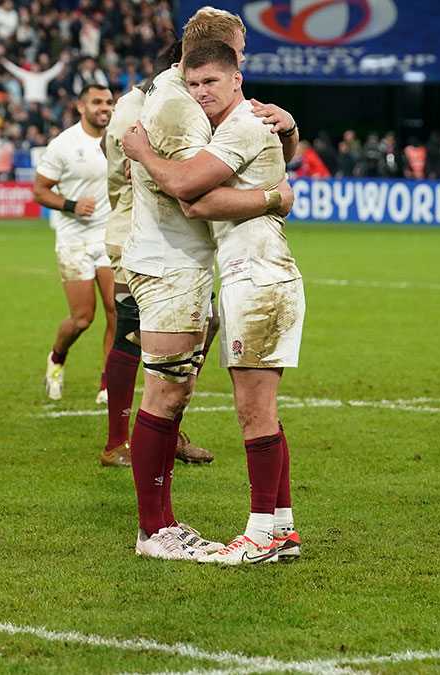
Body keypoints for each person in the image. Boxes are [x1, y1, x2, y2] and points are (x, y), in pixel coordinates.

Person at [118, 7, 299, 562]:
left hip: (221, 265)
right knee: (169, 391)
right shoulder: (179, 103)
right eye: (238, 52)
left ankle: (272, 528)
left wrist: (288, 130)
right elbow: (189, 192)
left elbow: (263, 155)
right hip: (172, 261)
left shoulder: (210, 102)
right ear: (213, 52)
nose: (243, 63)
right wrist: (275, 197)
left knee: (211, 396)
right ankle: (157, 530)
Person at [33, 83, 116, 403]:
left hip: (109, 238)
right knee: (83, 318)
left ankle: (109, 384)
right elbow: (40, 190)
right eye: (97, 102)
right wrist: (71, 205)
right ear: (81, 106)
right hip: (75, 240)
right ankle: (57, 357)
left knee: (117, 313)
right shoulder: (64, 144)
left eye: (108, 101)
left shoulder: (120, 139)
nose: (104, 107)